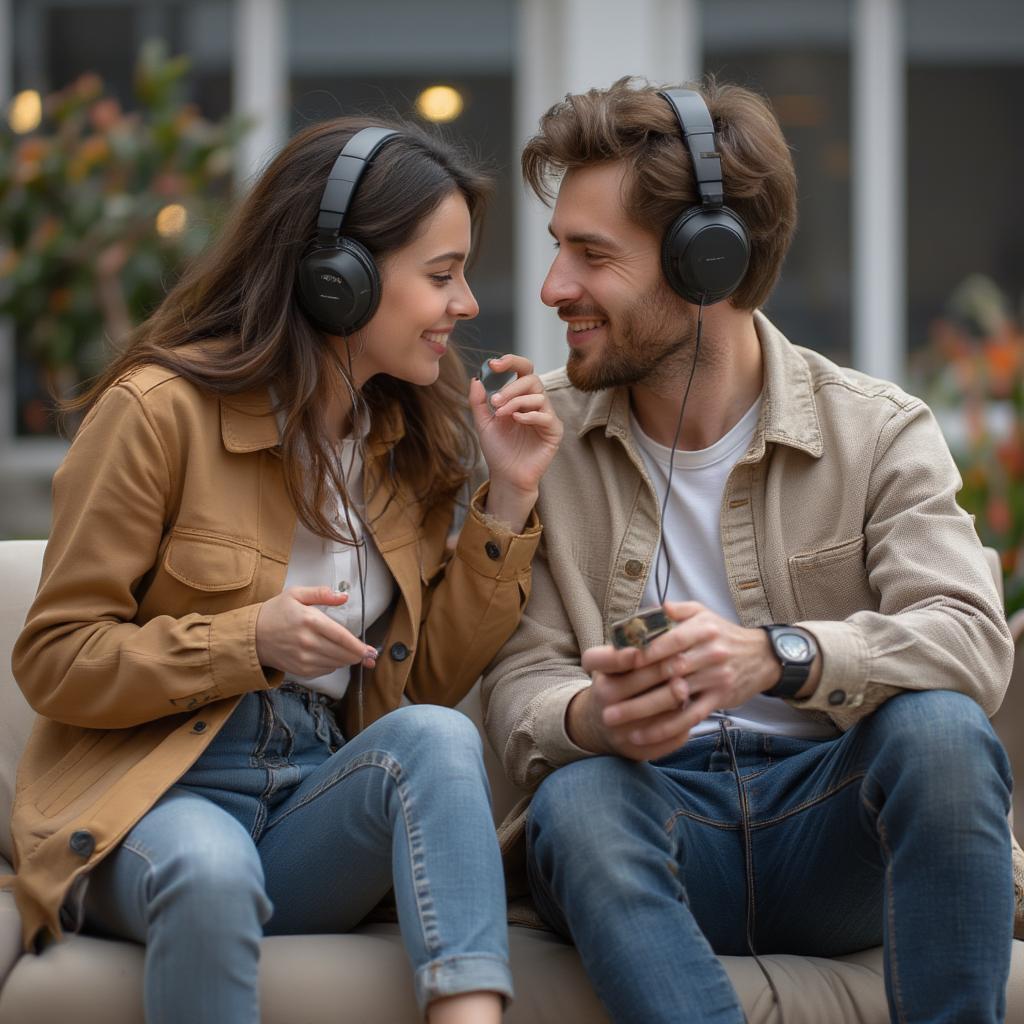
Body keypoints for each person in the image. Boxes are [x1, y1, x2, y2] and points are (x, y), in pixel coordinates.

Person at [482, 77, 1023, 1024]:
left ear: (707, 263)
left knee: (940, 735)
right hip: (650, 829)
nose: (552, 287)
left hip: (837, 833)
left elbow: (971, 640)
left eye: (590, 254)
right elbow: (518, 680)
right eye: (557, 248)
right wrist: (595, 718)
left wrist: (779, 656)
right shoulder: (540, 445)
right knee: (579, 803)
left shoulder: (878, 431)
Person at [8, 115, 563, 1024]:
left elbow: (415, 689)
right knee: (213, 869)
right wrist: (247, 641)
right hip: (152, 799)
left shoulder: (407, 446)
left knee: (438, 736)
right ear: (334, 277)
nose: (466, 303)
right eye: (440, 274)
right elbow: (57, 661)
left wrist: (506, 500)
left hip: (310, 797)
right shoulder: (157, 414)